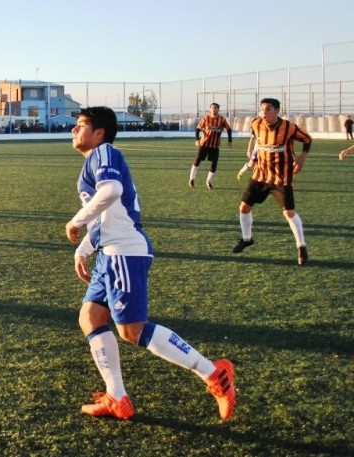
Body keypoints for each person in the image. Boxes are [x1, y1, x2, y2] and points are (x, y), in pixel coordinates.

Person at [66, 106, 236, 421]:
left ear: (99, 132)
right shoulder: (95, 160)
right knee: (90, 318)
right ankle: (116, 396)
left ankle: (214, 373)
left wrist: (76, 221)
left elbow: (112, 191)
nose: (74, 130)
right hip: (109, 252)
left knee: (132, 330)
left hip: (124, 252)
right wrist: (84, 248)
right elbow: (107, 214)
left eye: (80, 125)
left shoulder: (103, 153)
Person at [232, 98, 312, 266]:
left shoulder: (288, 128)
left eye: (268, 109)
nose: (264, 113)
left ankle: (301, 247)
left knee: (289, 212)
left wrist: (301, 159)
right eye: (262, 110)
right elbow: (257, 140)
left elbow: (307, 139)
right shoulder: (255, 123)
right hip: (260, 175)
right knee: (244, 207)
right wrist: (252, 156)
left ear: (277, 111)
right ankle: (247, 239)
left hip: (281, 177)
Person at [189, 102, 232, 189]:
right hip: (204, 144)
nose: (214, 109)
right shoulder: (206, 118)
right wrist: (197, 140)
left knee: (214, 164)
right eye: (212, 108)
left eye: (215, 108)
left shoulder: (222, 120)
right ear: (210, 109)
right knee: (197, 161)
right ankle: (192, 178)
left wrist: (230, 141)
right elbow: (198, 129)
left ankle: (209, 181)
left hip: (215, 145)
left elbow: (229, 129)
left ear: (218, 109)